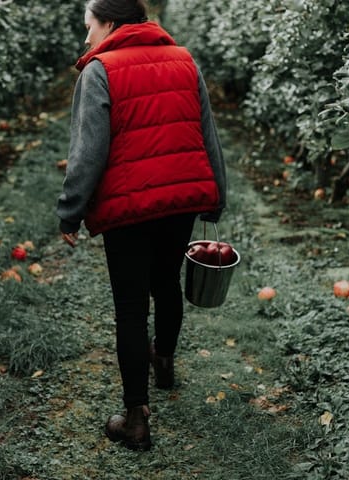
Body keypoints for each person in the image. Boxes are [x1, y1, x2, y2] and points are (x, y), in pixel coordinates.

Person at [56, 0, 227, 451]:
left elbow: (87, 153)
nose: (86, 37)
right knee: (166, 281)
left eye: (88, 27)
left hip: (129, 208)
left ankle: (135, 418)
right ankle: (164, 360)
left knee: (131, 308)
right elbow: (208, 133)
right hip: (179, 201)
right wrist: (216, 196)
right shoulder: (184, 59)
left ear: (109, 23)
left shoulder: (100, 70)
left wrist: (70, 210)